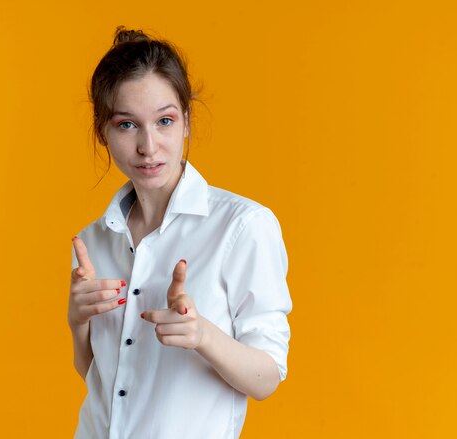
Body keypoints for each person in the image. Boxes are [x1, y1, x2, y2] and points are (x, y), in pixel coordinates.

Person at [68, 26, 292, 439]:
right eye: (127, 125)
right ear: (103, 132)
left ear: (187, 121)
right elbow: (97, 376)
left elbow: (267, 377)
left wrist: (202, 334)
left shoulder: (242, 227)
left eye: (165, 121)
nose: (149, 146)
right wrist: (78, 321)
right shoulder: (95, 240)